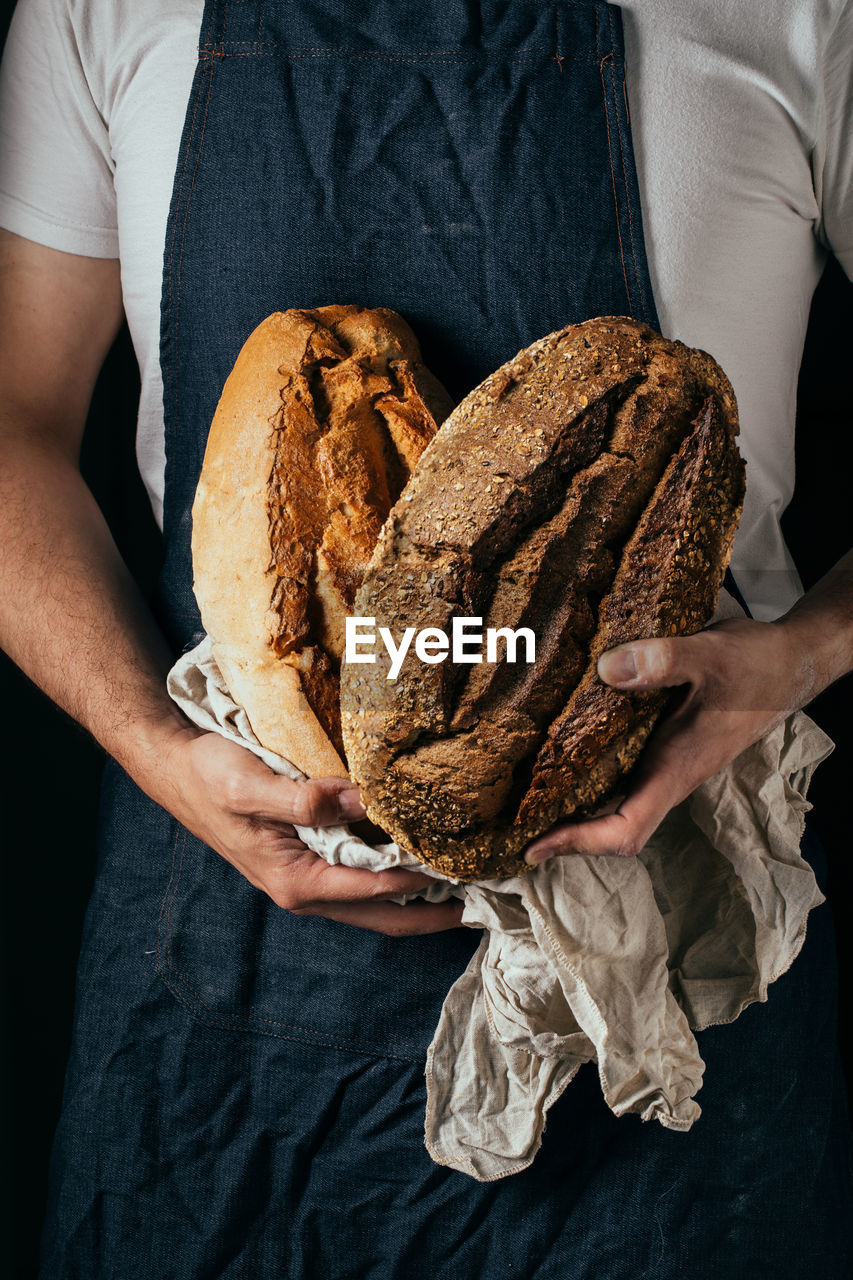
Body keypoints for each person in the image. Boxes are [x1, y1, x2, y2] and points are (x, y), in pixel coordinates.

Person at [1, 0, 852, 1275]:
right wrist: (150, 738)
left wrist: (802, 651)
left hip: (662, 996)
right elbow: (12, 421)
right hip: (218, 1006)